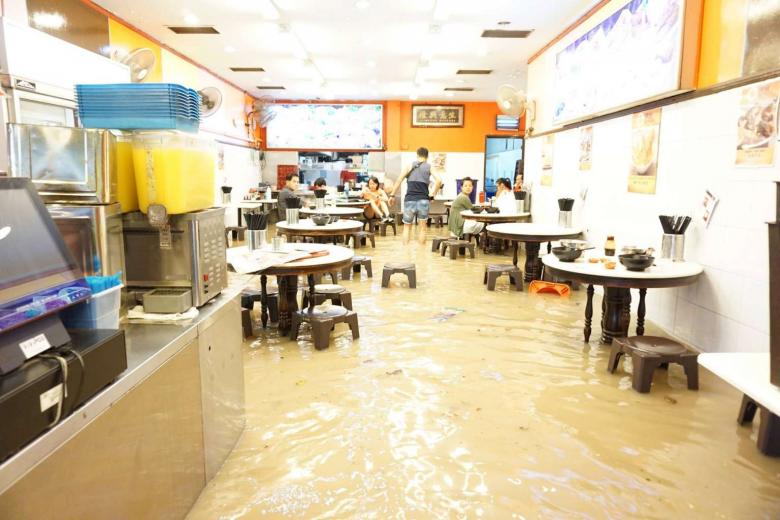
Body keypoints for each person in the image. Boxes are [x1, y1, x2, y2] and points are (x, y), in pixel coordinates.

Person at [388, 147, 442, 245]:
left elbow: (399, 180)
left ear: (417, 155)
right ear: (427, 156)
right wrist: (433, 194)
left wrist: (392, 195)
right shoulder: (429, 167)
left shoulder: (409, 166)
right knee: (422, 228)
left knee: (407, 227)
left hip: (410, 200)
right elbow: (439, 180)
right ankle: (421, 256)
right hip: (423, 201)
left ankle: (406, 252)